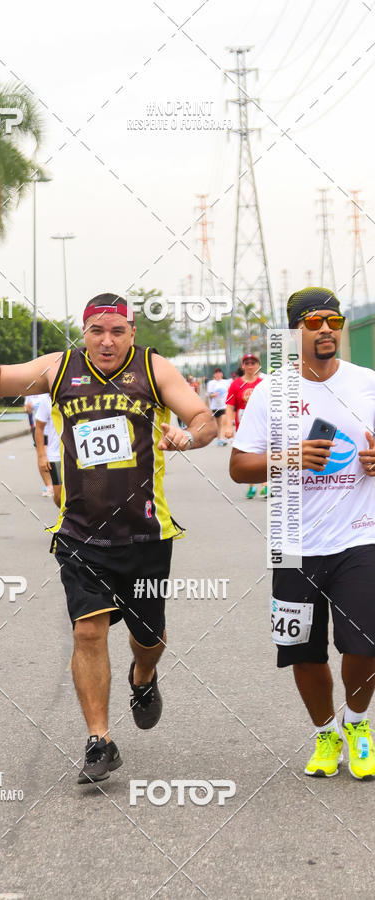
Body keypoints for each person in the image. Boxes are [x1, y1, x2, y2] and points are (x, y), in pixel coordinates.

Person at [0, 293, 217, 783]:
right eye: (97, 330)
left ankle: (144, 675)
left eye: (117, 330)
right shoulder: (59, 367)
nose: (107, 340)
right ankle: (99, 740)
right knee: (87, 631)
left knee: (147, 637)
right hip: (80, 532)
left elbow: (204, 419)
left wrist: (189, 435)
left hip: (146, 533)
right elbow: (0, 380)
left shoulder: (154, 369)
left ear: (132, 332)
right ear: (84, 333)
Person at [230, 286, 375, 779]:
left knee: (364, 643)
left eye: (333, 321)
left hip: (360, 534)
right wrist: (288, 457)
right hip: (293, 542)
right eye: (314, 322)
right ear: (294, 333)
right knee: (303, 650)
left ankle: (356, 724)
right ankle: (324, 734)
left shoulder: (367, 384)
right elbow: (238, 467)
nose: (327, 329)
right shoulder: (272, 392)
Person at [225, 352, 267, 498]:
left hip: (263, 424)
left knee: (263, 454)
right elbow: (230, 407)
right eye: (247, 363)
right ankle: (252, 487)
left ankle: (265, 485)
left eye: (253, 363)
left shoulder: (265, 382)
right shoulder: (235, 384)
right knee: (248, 456)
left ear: (259, 365)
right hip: (243, 427)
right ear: (242, 366)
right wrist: (228, 427)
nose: (250, 366)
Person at [35, 392, 61, 506]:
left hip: (78, 454)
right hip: (56, 455)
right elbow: (39, 428)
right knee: (59, 497)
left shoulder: (81, 392)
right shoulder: (47, 399)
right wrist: (41, 456)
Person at [206, 367, 229, 445]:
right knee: (219, 425)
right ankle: (219, 439)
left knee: (223, 422)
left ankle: (223, 438)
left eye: (219, 372)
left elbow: (230, 392)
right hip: (215, 406)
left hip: (224, 405)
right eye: (216, 373)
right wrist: (214, 395)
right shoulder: (211, 383)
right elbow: (209, 394)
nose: (218, 374)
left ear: (222, 374)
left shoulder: (226, 382)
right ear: (214, 375)